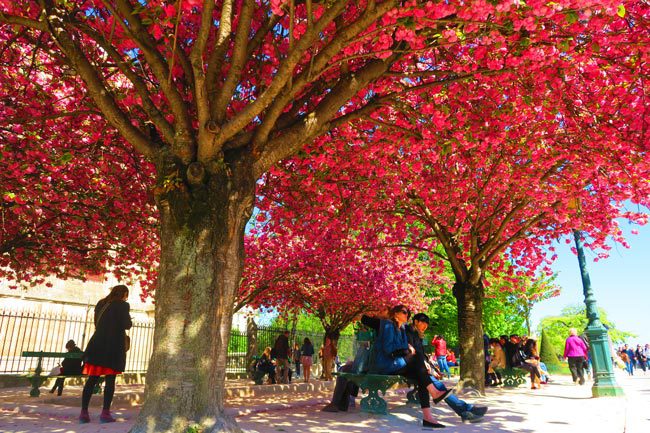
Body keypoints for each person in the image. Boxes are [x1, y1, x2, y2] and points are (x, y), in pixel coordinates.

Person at [362, 306, 458, 429]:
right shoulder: (387, 325)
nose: (407, 315)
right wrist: (406, 350)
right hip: (386, 364)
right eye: (404, 312)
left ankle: (428, 417)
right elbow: (388, 349)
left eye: (408, 313)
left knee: (422, 376)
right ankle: (434, 392)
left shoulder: (402, 328)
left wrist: (408, 349)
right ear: (395, 314)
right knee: (418, 362)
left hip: (397, 363)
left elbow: (403, 349)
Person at [405, 313, 488, 425]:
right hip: (411, 368)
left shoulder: (417, 335)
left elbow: (422, 356)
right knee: (438, 386)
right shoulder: (409, 332)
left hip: (420, 368)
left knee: (439, 386)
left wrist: (434, 369)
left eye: (427, 324)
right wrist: (426, 365)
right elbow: (413, 353)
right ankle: (465, 410)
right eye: (423, 322)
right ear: (416, 321)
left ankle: (466, 409)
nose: (425, 326)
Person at [79, 285, 132, 424]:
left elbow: (97, 322)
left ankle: (84, 413)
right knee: (110, 380)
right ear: (124, 294)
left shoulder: (101, 303)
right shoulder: (123, 305)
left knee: (92, 380)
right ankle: (105, 413)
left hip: (97, 344)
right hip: (113, 346)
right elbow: (127, 324)